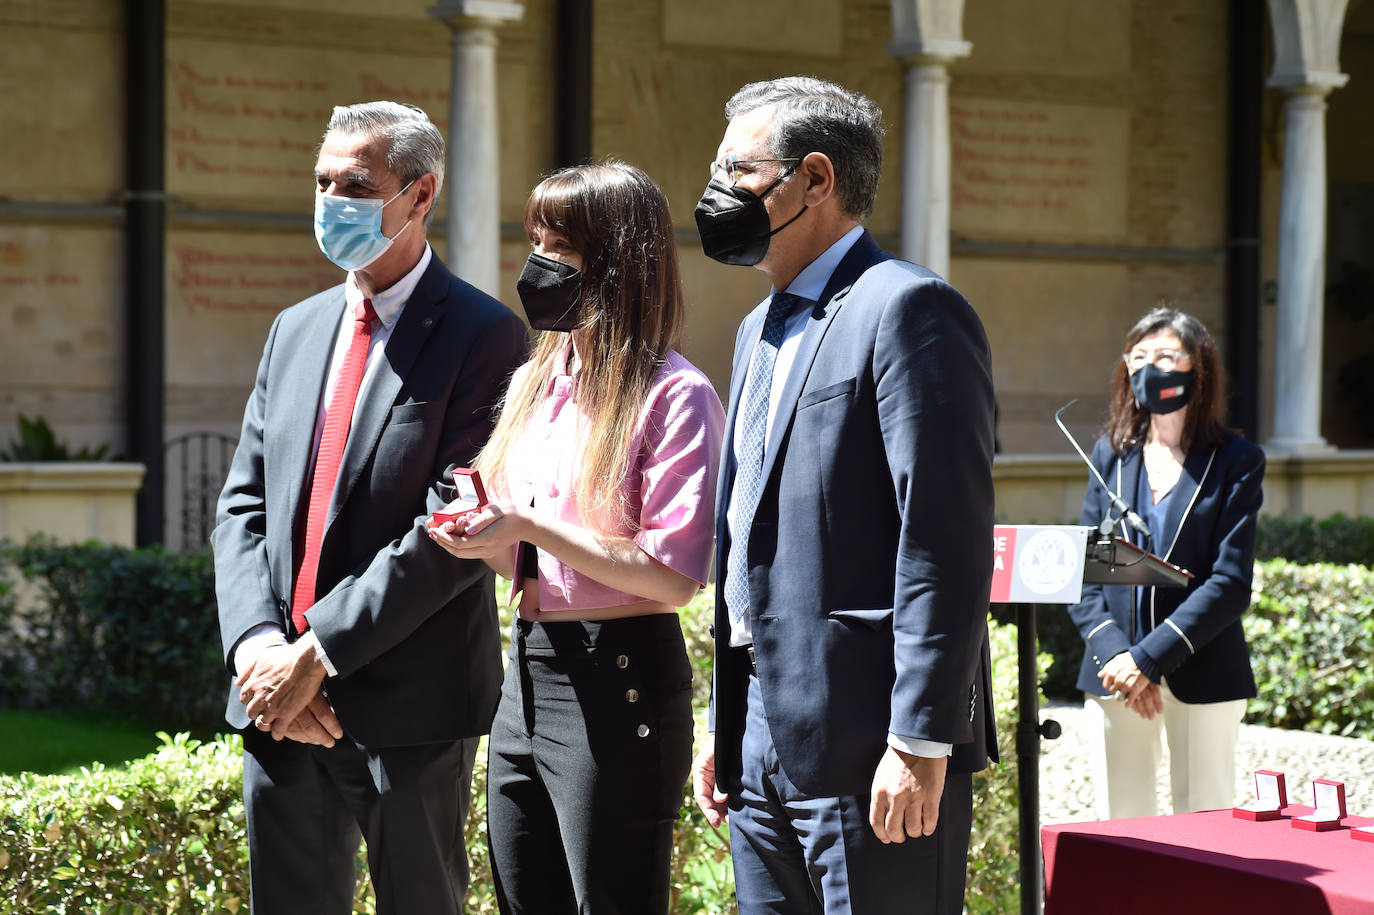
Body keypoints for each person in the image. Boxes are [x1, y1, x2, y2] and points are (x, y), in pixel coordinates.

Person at [688, 76, 998, 914]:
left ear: (815, 179)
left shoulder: (909, 307)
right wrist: (726, 724)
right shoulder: (756, 327)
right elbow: (748, 531)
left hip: (871, 741)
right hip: (760, 733)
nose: (716, 192)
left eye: (738, 171)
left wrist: (920, 737)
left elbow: (944, 536)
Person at [212, 101, 528, 915]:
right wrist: (260, 649)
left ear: (421, 195)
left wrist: (317, 653)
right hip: (275, 702)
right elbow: (242, 505)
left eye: (355, 185)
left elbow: (451, 526)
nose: (331, 201)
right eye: (322, 182)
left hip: (409, 707)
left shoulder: (485, 336)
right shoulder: (294, 329)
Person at [428, 161, 726, 913]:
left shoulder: (675, 395)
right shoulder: (538, 381)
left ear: (618, 262)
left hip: (620, 673)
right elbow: (522, 562)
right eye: (536, 241)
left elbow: (672, 576)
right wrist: (484, 531)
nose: (539, 263)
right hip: (527, 670)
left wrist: (531, 525)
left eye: (560, 246)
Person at [1068, 307, 1265, 820]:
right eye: (1138, 357)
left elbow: (1230, 582)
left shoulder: (1237, 461)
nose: (1148, 368)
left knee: (1203, 827)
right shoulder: (1109, 456)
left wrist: (1150, 659)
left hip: (1204, 669)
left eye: (1165, 356)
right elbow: (1088, 572)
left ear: (1198, 368)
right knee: (1122, 823)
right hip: (1113, 673)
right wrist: (1119, 657)